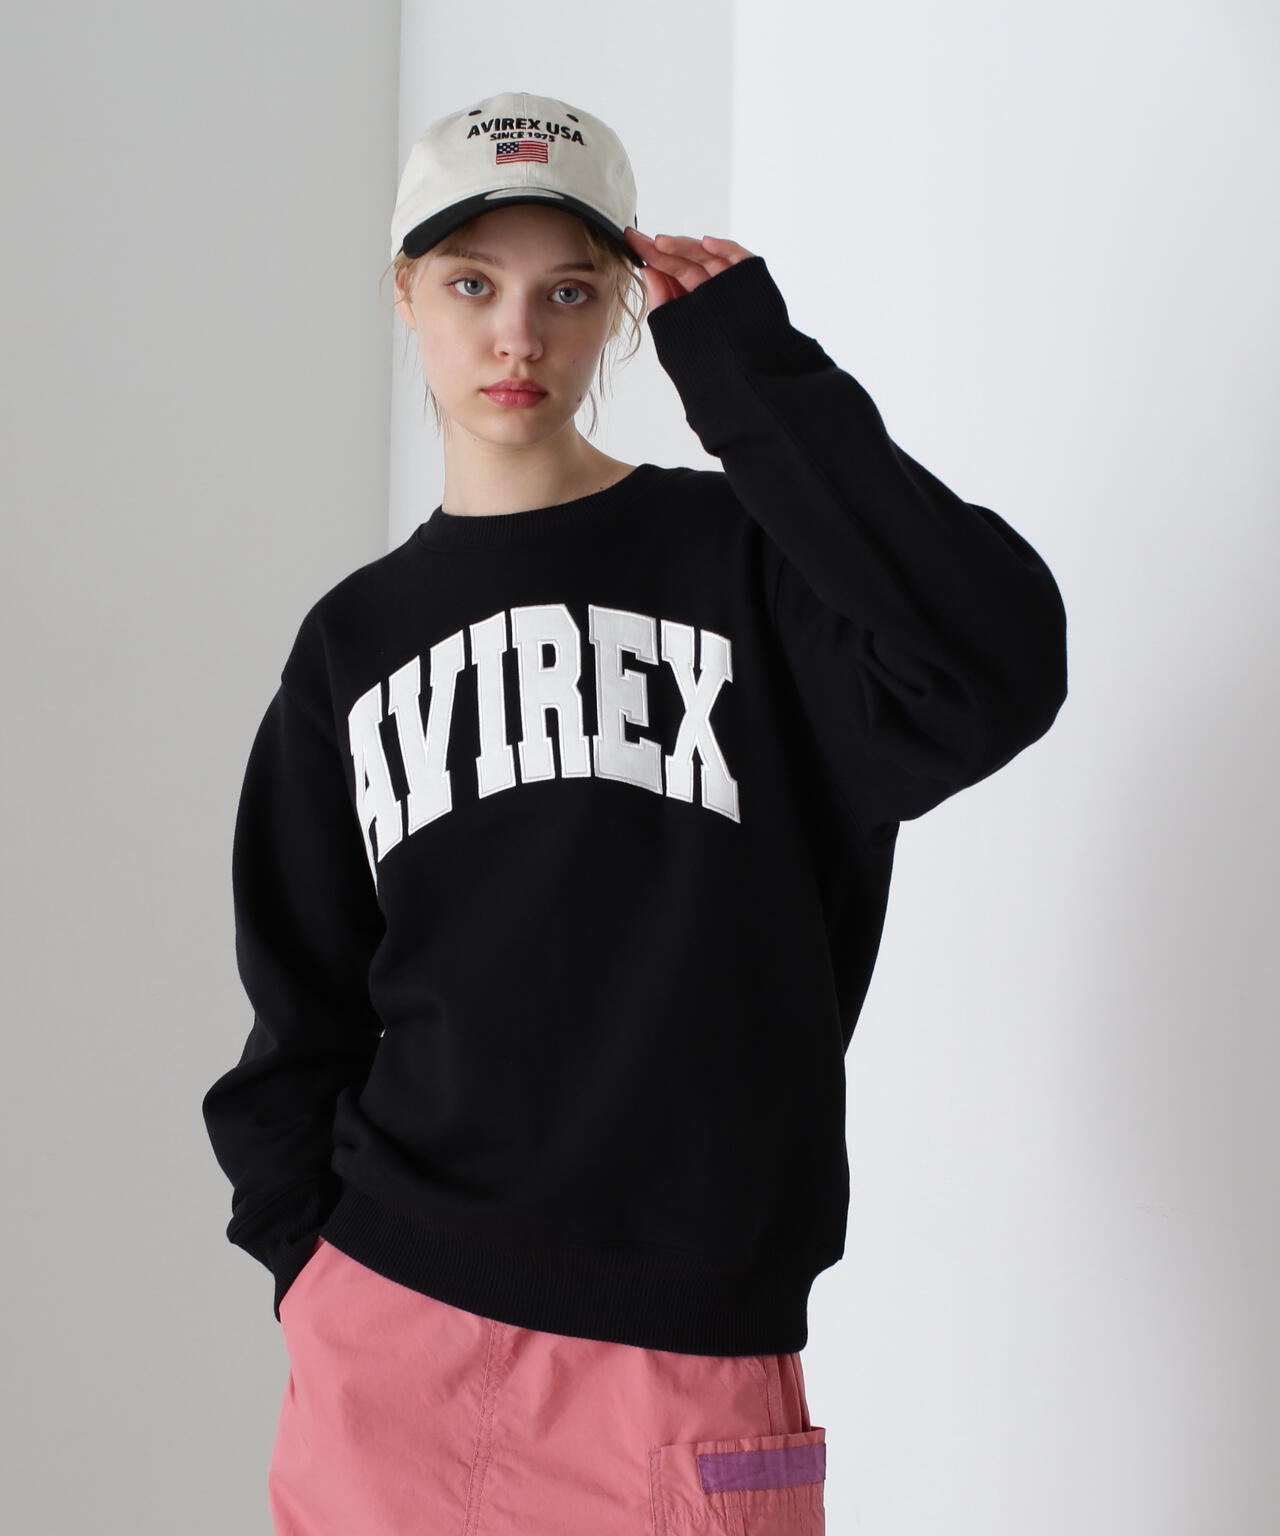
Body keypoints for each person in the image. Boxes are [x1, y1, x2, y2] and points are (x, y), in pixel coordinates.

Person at [202, 90, 1068, 1536]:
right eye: (470, 285)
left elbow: (990, 671)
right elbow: (299, 991)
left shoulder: (749, 565)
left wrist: (754, 373)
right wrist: (313, 1264)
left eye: (566, 291)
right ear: (404, 295)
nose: (516, 337)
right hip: (391, 1338)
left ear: (619, 306)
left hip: (680, 1354)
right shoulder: (355, 640)